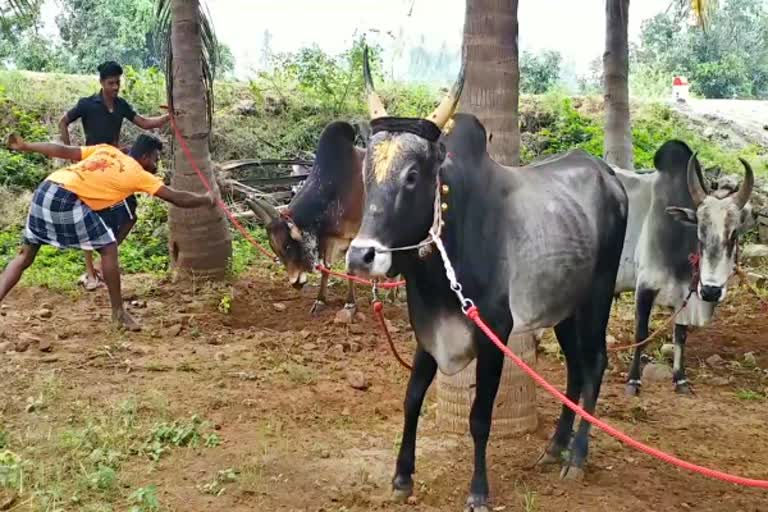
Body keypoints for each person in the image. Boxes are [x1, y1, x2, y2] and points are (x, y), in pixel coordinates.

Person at [1, 132, 216, 331]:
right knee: (109, 248)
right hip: (66, 199)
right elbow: (176, 197)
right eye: (156, 159)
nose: (157, 165)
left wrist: (27, 145)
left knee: (24, 255)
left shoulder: (107, 150)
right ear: (144, 156)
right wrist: (207, 198)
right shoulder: (139, 174)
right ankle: (118, 313)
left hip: (45, 190)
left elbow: (64, 150)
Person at [59, 60, 171, 291]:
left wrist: (169, 116)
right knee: (90, 215)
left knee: (129, 215)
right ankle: (90, 273)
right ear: (101, 82)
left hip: (115, 166)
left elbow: (144, 123)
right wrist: (71, 155)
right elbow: (63, 122)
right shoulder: (87, 104)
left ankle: (102, 263)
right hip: (91, 165)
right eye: (111, 83)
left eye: (118, 82)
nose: (115, 87)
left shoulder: (120, 105)